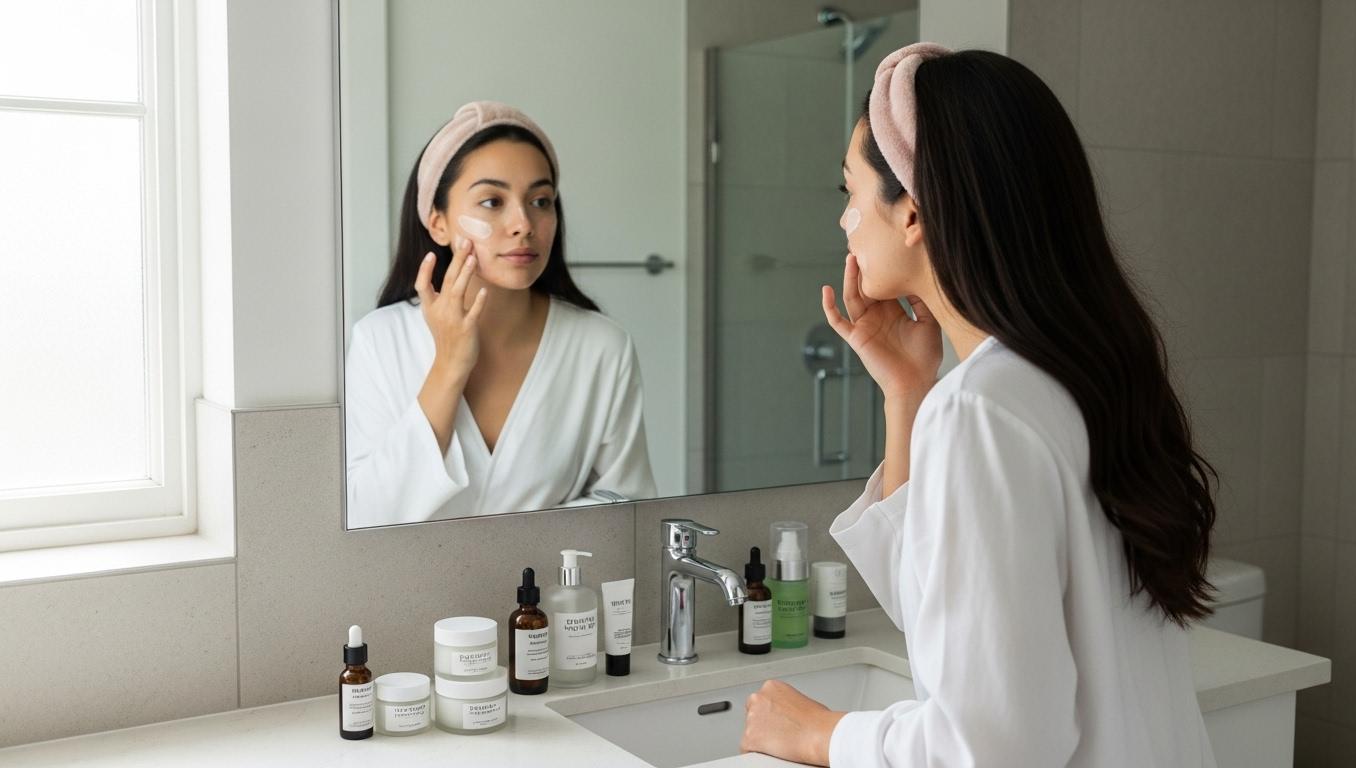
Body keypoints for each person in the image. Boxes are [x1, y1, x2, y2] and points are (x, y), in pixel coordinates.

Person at [740, 44, 1218, 767]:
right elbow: (940, 607)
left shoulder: (983, 410)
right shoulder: (1083, 373)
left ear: (913, 213)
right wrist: (907, 393)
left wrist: (821, 733)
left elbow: (993, 746)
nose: (844, 222)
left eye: (851, 191)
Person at [345, 102, 655, 527]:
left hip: (550, 592)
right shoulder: (380, 340)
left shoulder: (601, 346)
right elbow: (367, 518)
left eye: (540, 201)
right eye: (492, 201)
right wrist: (450, 365)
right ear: (438, 223)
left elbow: (628, 507)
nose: (523, 223)